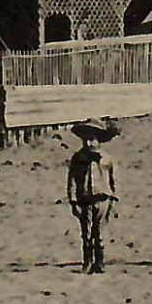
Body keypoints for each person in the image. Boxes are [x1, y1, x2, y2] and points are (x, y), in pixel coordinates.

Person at [65, 117, 120, 274]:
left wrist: (113, 199)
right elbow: (73, 180)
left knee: (100, 233)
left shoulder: (107, 159)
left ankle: (100, 262)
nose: (88, 144)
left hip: (103, 200)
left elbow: (113, 180)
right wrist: (73, 201)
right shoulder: (78, 158)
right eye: (85, 140)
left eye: (92, 140)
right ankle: (87, 262)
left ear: (99, 140)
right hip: (85, 200)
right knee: (86, 233)